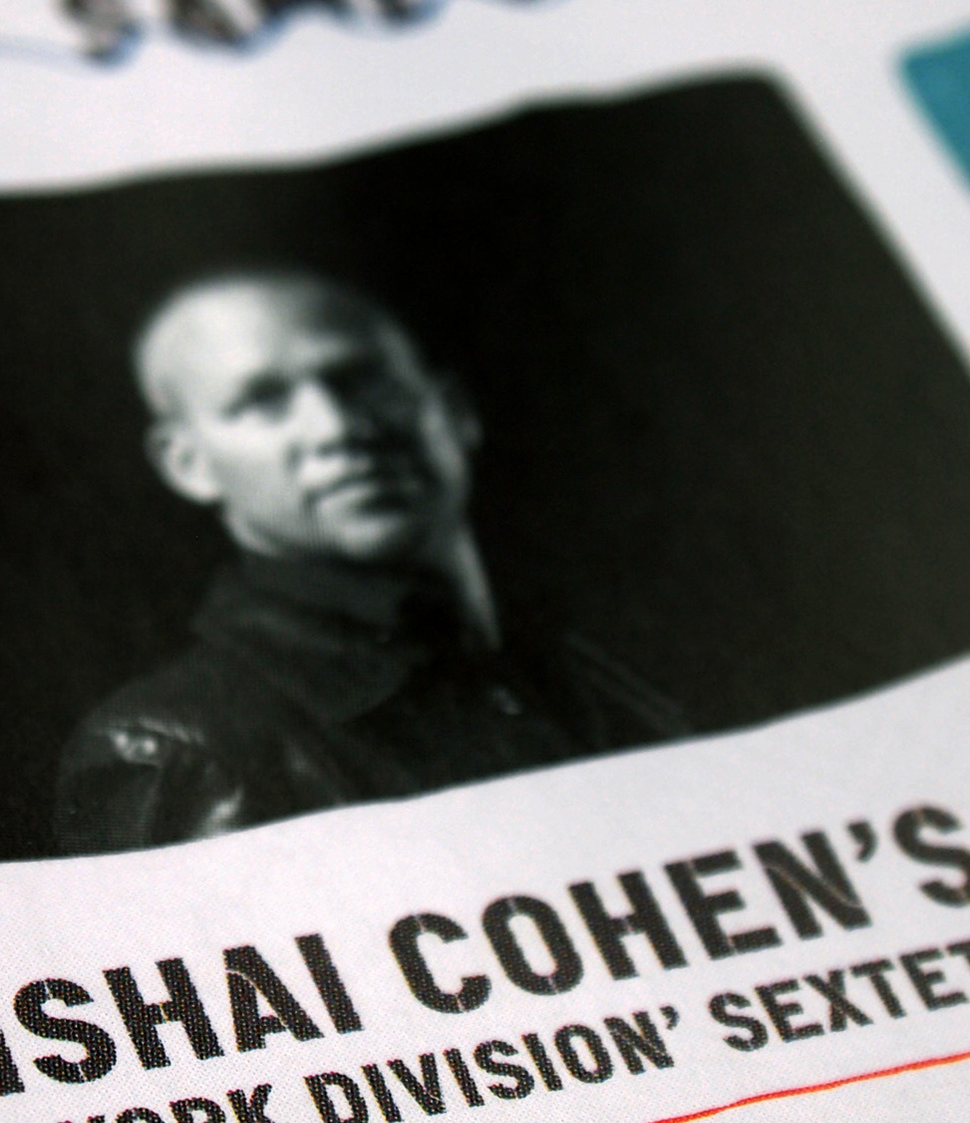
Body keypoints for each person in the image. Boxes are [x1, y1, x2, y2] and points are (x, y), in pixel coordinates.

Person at [54, 271, 686, 854]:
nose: (338, 427)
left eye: (362, 380)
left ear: (454, 411)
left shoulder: (598, 664)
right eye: (263, 402)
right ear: (187, 463)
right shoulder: (176, 751)